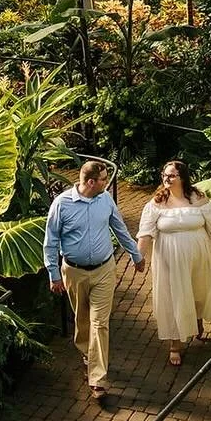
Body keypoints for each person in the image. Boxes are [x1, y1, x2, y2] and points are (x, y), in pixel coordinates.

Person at [43, 159, 144, 399]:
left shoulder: (105, 199)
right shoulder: (62, 205)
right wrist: (53, 274)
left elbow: (120, 229)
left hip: (104, 270)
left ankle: (97, 378)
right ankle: (87, 353)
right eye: (103, 179)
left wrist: (136, 255)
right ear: (90, 182)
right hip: (74, 271)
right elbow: (51, 242)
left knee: (100, 322)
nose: (107, 183)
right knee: (82, 319)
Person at [136, 159, 211, 367]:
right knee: (175, 296)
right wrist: (139, 255)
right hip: (170, 258)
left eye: (171, 176)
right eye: (164, 175)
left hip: (200, 254)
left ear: (182, 177)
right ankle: (175, 345)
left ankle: (196, 321)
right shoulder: (157, 202)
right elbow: (145, 232)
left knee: (198, 290)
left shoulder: (199, 198)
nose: (166, 179)